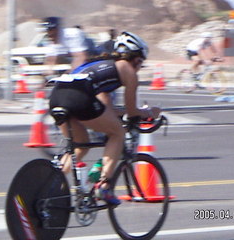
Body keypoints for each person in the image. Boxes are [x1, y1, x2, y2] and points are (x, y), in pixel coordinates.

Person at [49, 31, 161, 205]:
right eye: (141, 62)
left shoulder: (101, 64)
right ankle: (104, 186)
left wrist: (123, 113)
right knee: (117, 133)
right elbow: (132, 113)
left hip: (57, 96)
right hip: (79, 97)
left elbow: (105, 108)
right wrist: (148, 112)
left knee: (80, 145)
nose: (139, 67)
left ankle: (49, 184)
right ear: (137, 59)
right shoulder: (128, 70)